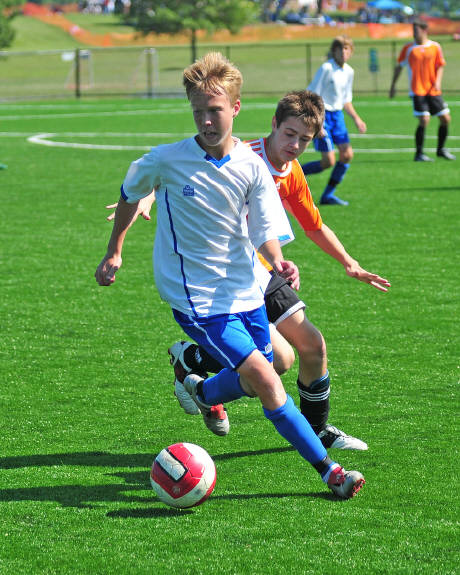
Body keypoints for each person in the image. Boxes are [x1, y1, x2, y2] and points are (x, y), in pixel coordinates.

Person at [96, 52, 365, 499]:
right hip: (196, 298)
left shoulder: (252, 166)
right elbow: (129, 194)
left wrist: (278, 261)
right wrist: (115, 251)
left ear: (235, 108)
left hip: (246, 289)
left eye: (215, 110)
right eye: (198, 111)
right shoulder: (166, 160)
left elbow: (264, 229)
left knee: (273, 365)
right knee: (267, 379)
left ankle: (201, 389)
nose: (206, 120)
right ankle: (330, 471)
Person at [167, 90, 390, 453]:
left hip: (264, 271)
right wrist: (144, 197)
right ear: (273, 124)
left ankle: (315, 430)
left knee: (310, 346)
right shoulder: (241, 155)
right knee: (279, 360)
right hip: (227, 275)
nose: (295, 145)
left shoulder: (293, 172)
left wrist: (350, 264)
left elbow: (314, 225)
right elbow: (181, 172)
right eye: (289, 134)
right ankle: (194, 364)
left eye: (305, 139)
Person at [301, 36, 366, 206]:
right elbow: (311, 96)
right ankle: (292, 173)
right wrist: (318, 123)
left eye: (346, 49)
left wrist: (357, 119)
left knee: (347, 155)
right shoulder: (326, 68)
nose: (343, 52)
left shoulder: (349, 72)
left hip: (338, 116)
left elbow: (346, 100)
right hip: (323, 116)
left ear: (351, 52)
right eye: (340, 49)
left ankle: (328, 195)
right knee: (328, 161)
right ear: (334, 51)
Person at [389, 20, 455, 162]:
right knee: (424, 120)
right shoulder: (408, 48)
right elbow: (399, 67)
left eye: (416, 30)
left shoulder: (435, 46)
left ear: (424, 31)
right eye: (413, 30)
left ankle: (441, 150)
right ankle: (419, 154)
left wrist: (438, 82)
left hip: (433, 90)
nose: (414, 33)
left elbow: (440, 65)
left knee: (445, 119)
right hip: (417, 89)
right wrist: (393, 85)